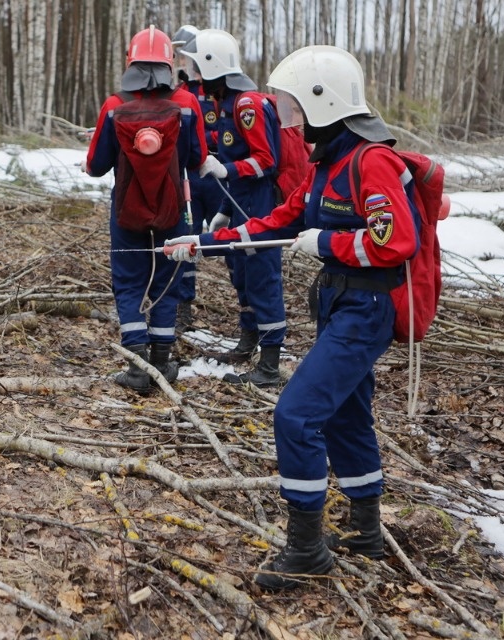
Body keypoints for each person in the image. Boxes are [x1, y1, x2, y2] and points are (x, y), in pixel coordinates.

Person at [165, 45, 420, 589]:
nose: (289, 118)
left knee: (295, 415)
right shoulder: (328, 162)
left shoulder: (369, 160)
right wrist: (205, 244)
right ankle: (367, 532)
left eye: (295, 107)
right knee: (346, 415)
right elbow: (276, 219)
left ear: (323, 104)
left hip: (366, 305)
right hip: (338, 302)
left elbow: (396, 241)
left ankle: (307, 549)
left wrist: (327, 240)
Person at [85, 26, 206, 393]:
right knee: (167, 281)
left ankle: (137, 368)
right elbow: (198, 157)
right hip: (174, 209)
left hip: (126, 209)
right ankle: (161, 361)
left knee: (129, 282)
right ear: (170, 63)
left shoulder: (114, 105)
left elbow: (96, 165)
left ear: (130, 61)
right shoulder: (186, 103)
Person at [178, 29, 286, 386]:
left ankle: (269, 364)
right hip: (239, 204)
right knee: (240, 273)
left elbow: (265, 162)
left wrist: (227, 169)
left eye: (197, 67)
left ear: (213, 67)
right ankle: (248, 341)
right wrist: (224, 207)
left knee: (261, 279)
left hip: (259, 207)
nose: (193, 75)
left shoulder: (246, 104)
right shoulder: (228, 103)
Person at [171, 25, 224, 333]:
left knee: (230, 238)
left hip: (218, 173)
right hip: (190, 173)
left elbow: (232, 134)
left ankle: (250, 314)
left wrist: (211, 140)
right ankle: (183, 304)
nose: (182, 60)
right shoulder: (181, 90)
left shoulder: (219, 88)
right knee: (186, 237)